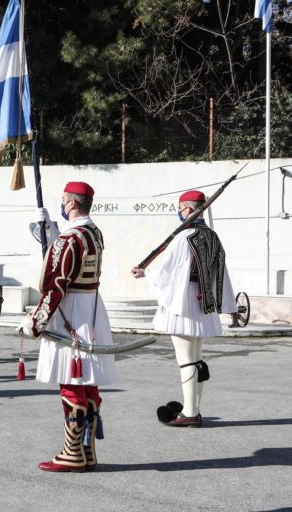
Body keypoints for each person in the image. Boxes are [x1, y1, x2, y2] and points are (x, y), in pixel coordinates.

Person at [18, 182, 116, 473]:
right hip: (92, 308)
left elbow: (55, 286)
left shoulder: (70, 238)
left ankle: (72, 453)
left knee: (71, 382)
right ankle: (86, 451)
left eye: (63, 200)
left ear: (71, 204)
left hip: (71, 311)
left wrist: (34, 324)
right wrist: (50, 235)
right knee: (86, 384)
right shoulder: (93, 233)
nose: (61, 204)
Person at [131, 189, 236, 427]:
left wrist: (144, 272)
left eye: (180, 208)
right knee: (196, 359)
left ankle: (190, 413)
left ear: (188, 209)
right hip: (203, 300)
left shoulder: (184, 237)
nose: (179, 213)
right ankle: (193, 408)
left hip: (184, 300)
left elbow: (169, 272)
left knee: (187, 359)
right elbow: (219, 272)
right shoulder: (212, 236)